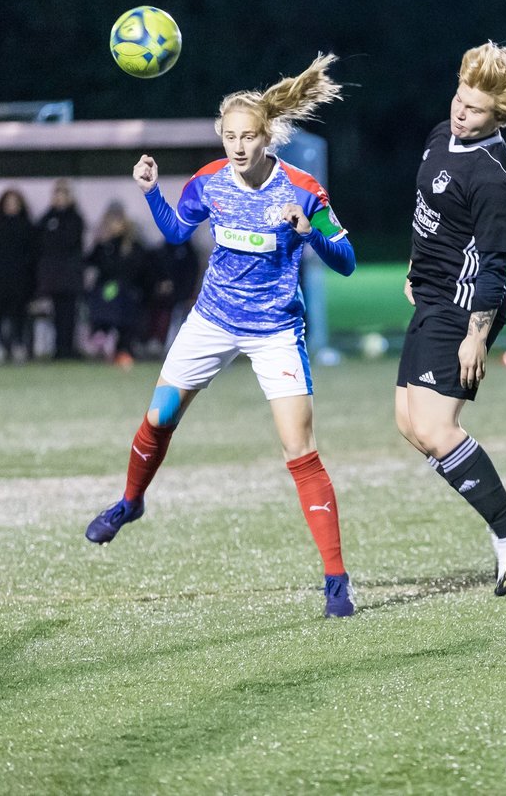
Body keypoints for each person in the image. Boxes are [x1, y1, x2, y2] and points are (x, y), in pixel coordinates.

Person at [83, 54, 359, 619]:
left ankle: (336, 581)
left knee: (299, 450)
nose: (238, 145)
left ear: (267, 136)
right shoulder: (209, 181)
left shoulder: (304, 190)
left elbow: (348, 261)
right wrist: (151, 191)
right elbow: (178, 231)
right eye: (230, 135)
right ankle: (131, 502)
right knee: (159, 416)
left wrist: (310, 234)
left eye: (249, 136)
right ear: (221, 135)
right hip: (211, 320)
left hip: (276, 330)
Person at [395, 41, 506, 597]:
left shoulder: (493, 178)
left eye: (476, 109)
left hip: (464, 307)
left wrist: (476, 337)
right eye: (460, 100)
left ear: (498, 116)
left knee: (438, 429)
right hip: (432, 295)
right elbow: (430, 211)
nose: (462, 113)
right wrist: (417, 262)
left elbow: (494, 267)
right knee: (411, 426)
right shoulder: (442, 134)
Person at [85, 202, 148, 368]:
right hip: (104, 289)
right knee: (104, 295)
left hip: (126, 290)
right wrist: (100, 243)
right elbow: (92, 263)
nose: (113, 226)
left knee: (119, 297)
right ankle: (102, 334)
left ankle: (116, 344)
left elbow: (135, 270)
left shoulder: (133, 246)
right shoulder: (103, 246)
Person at [0, 188, 38, 362]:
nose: (11, 207)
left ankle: (19, 345)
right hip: (0, 277)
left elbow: (34, 250)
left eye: (15, 203)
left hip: (21, 278)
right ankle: (1, 346)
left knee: (19, 312)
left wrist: (26, 265)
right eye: (8, 203)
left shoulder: (27, 225)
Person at [36, 180, 87, 359]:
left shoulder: (75, 218)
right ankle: (59, 349)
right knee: (57, 315)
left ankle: (68, 348)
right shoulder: (47, 217)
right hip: (53, 276)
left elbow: (68, 242)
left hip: (70, 275)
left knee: (70, 315)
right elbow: (41, 240)